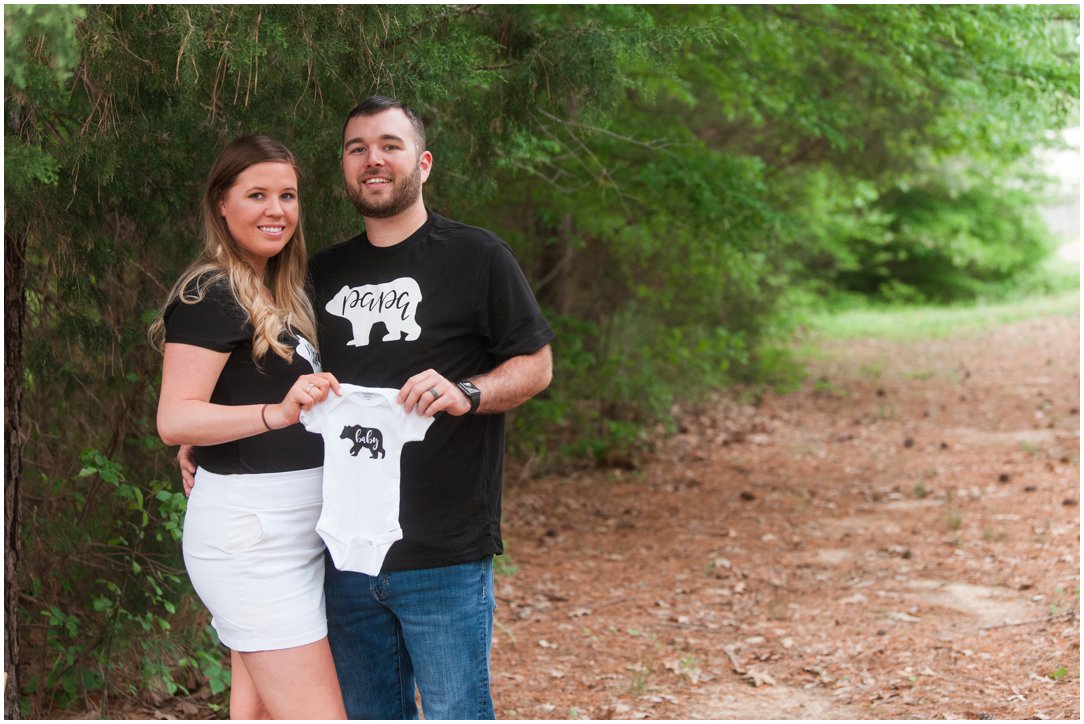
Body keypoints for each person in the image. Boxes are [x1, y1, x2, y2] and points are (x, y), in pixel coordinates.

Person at [180, 97, 554, 719]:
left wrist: (469, 392)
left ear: (424, 162)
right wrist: (213, 438)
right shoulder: (317, 274)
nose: (372, 160)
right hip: (341, 550)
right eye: (357, 149)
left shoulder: (478, 257)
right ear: (346, 168)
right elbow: (273, 375)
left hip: (443, 550)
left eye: (389, 145)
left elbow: (535, 366)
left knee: (458, 711)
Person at [152, 135, 347, 720]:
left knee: (257, 713)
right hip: (252, 542)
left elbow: (210, 407)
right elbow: (174, 417)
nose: (276, 210)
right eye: (257, 194)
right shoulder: (209, 293)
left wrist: (216, 430)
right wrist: (275, 414)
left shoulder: (278, 290)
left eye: (287, 195)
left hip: (295, 533)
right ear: (221, 204)